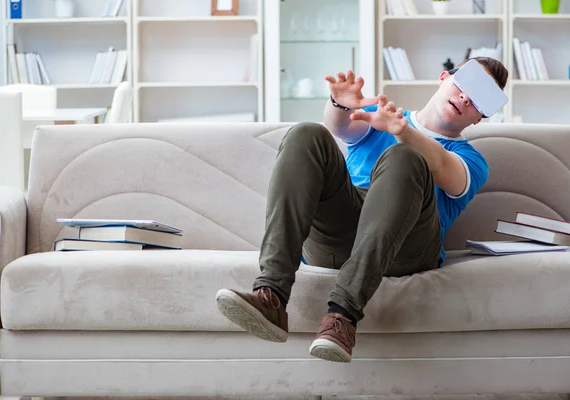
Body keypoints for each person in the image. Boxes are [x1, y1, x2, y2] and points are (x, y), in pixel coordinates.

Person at [215, 56, 509, 363]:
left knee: (405, 157)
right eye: (465, 84)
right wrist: (339, 104)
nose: (465, 97)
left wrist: (403, 132)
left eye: (478, 100)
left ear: (478, 120)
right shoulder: (380, 115)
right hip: (338, 234)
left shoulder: (472, 161)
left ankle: (342, 317)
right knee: (305, 133)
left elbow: (440, 166)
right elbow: (339, 124)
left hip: (404, 248)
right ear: (443, 78)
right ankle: (271, 296)